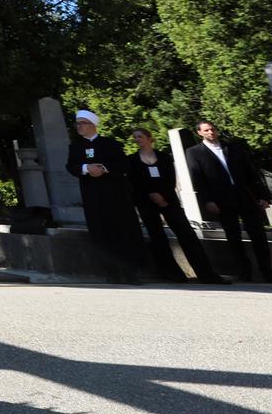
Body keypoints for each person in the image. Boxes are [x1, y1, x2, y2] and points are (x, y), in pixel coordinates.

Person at [184, 120, 272, 284]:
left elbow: (251, 173)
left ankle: (267, 272)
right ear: (199, 133)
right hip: (221, 199)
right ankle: (244, 271)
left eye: (212, 129)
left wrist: (262, 196)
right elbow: (198, 178)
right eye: (206, 130)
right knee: (233, 237)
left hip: (244, 196)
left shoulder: (233, 148)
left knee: (258, 235)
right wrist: (207, 200)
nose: (211, 132)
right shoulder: (194, 152)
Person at [125, 127, 227, 284]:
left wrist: (163, 197)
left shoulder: (163, 157)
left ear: (149, 138)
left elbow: (170, 179)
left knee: (187, 234)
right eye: (135, 137)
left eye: (140, 136)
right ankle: (173, 272)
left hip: (168, 200)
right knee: (157, 236)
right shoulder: (132, 160)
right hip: (146, 201)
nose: (137, 139)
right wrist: (151, 194)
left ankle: (206, 273)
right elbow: (134, 182)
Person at [64, 109, 144, 284]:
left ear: (93, 125)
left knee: (123, 232)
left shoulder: (110, 144)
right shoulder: (75, 146)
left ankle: (131, 273)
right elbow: (71, 166)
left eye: (83, 123)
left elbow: (123, 164)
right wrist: (86, 169)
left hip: (116, 194)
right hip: (93, 196)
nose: (79, 127)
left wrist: (103, 168)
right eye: (78, 124)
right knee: (101, 234)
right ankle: (112, 273)